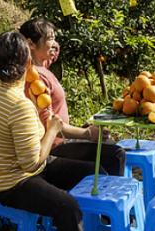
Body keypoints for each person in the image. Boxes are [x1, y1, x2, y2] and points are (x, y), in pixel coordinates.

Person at [0, 31, 119, 231]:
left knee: (96, 172)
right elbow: (33, 163)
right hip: (12, 183)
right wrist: (51, 129)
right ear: (27, 63)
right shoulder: (19, 106)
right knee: (66, 206)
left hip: (18, 170)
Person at [19, 18, 126, 177]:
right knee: (114, 155)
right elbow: (50, 125)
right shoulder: (35, 80)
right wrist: (87, 134)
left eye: (54, 38)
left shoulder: (41, 65)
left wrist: (51, 41)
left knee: (110, 148)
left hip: (62, 139)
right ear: (31, 44)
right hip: (52, 147)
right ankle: (106, 198)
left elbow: (52, 54)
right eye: (49, 38)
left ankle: (108, 194)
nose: (54, 43)